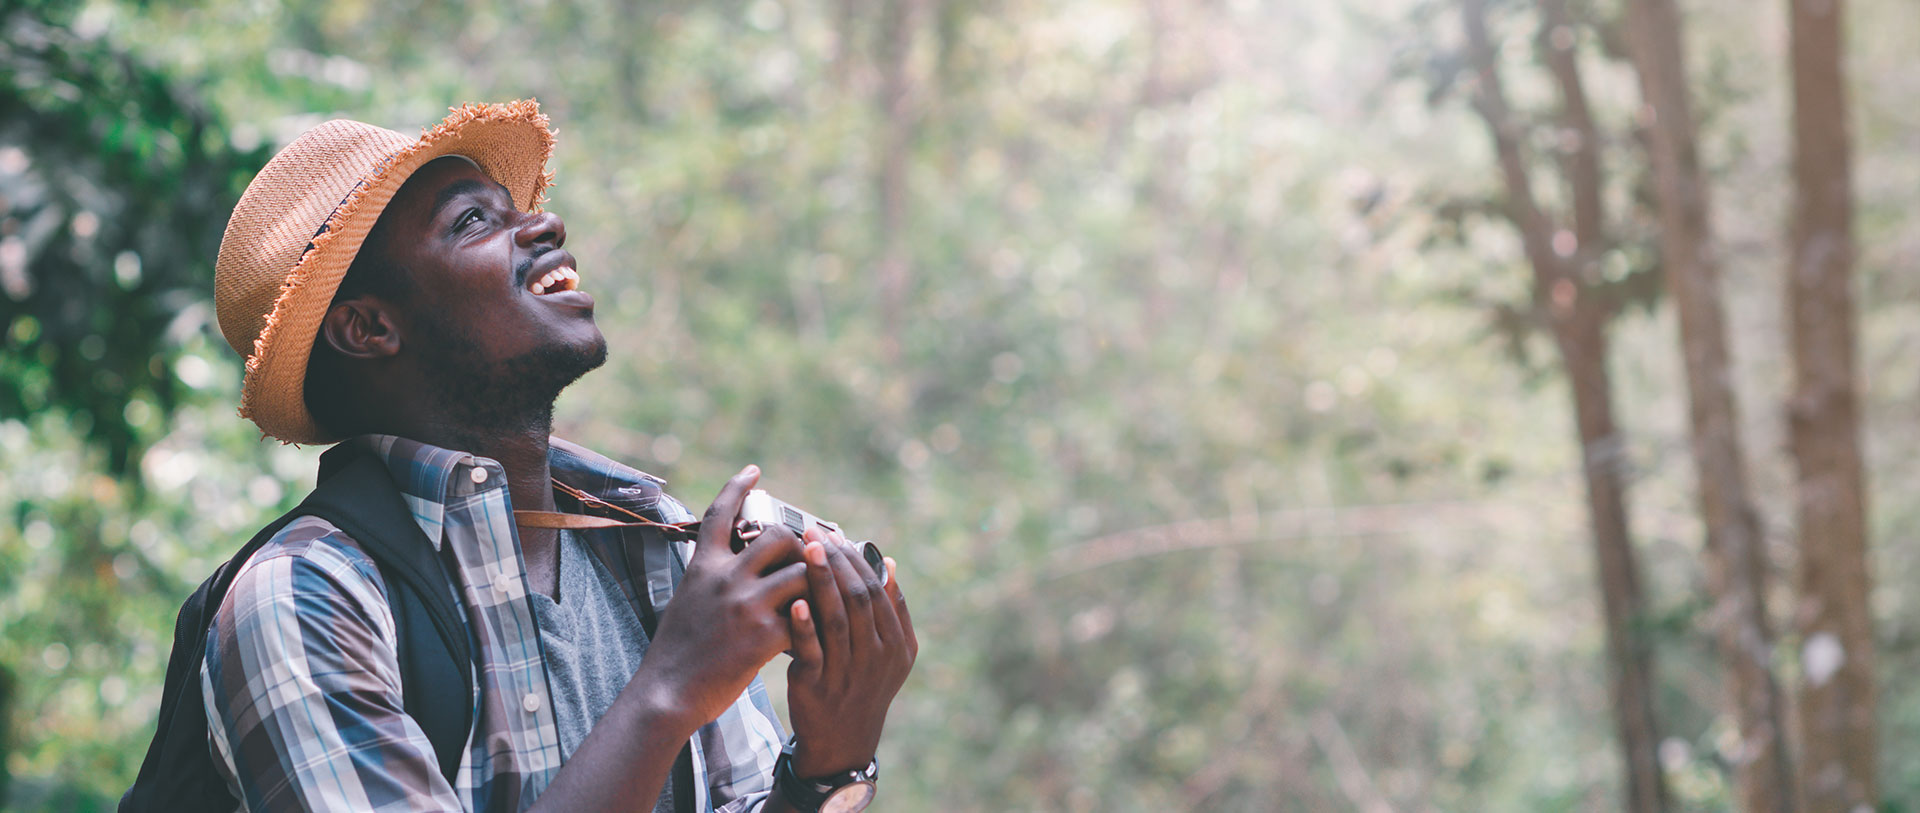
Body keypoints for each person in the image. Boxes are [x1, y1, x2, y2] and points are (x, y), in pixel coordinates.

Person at [196, 100, 915, 812]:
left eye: (514, 208)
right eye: (473, 221)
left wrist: (829, 764)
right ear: (369, 327)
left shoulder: (650, 537)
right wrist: (669, 690)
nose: (544, 224)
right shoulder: (304, 597)